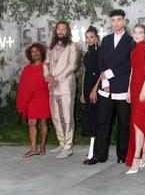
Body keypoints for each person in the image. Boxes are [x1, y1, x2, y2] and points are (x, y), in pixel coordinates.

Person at [85, 9, 134, 165]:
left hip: (122, 88)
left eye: (119, 20)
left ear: (124, 21)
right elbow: (101, 62)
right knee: (102, 122)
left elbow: (129, 64)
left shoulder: (131, 41)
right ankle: (99, 155)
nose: (116, 23)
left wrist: (110, 74)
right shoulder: (105, 40)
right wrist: (104, 82)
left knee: (123, 123)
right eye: (113, 20)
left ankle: (122, 155)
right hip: (105, 88)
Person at [44, 21, 79, 159]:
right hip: (52, 86)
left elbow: (72, 65)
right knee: (56, 116)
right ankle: (61, 142)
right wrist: (48, 77)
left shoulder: (72, 46)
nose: (61, 31)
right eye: (59, 28)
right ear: (55, 31)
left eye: (64, 29)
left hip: (65, 85)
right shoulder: (51, 47)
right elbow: (46, 64)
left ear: (67, 31)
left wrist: (56, 78)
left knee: (67, 117)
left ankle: (68, 146)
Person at [125, 24, 145, 174]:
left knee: (138, 122)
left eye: (140, 32)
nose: (137, 35)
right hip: (134, 89)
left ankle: (136, 158)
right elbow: (132, 71)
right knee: (138, 122)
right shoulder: (134, 50)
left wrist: (143, 89)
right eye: (135, 32)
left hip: (144, 90)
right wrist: (129, 90)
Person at [16, 42, 51, 157]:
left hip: (43, 97)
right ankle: (33, 148)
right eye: (32, 52)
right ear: (30, 55)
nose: (35, 53)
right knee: (31, 123)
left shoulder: (46, 66)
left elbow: (49, 81)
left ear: (41, 52)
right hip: (31, 99)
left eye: (37, 51)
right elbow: (22, 85)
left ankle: (43, 146)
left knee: (43, 122)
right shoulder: (26, 69)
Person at [81, 26, 101, 164]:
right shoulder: (86, 54)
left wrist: (95, 89)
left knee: (96, 119)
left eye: (91, 37)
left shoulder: (100, 53)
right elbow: (85, 73)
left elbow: (102, 72)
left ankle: (94, 152)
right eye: (87, 37)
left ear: (96, 38)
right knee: (90, 118)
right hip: (87, 86)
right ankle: (92, 150)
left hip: (97, 86)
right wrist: (83, 92)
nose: (89, 39)